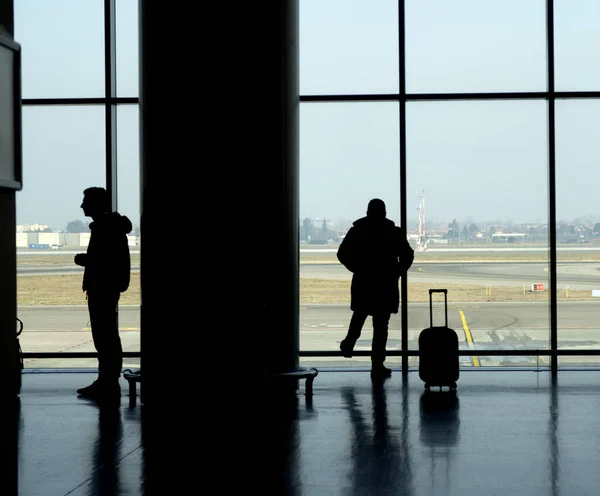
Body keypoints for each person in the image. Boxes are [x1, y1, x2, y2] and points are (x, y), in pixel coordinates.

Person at [337, 198, 414, 378]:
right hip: (385, 284)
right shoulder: (393, 232)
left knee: (359, 316)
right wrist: (397, 271)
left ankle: (348, 344)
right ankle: (377, 364)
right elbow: (407, 255)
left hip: (364, 282)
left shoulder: (358, 231)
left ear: (367, 212)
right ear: (385, 213)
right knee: (381, 327)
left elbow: (342, 254)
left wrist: (356, 268)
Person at [74, 187, 133, 404]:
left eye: (85, 202)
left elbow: (106, 262)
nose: (82, 206)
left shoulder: (105, 229)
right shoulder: (112, 227)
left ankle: (106, 381)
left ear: (96, 204)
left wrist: (86, 261)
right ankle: (108, 380)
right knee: (108, 336)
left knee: (105, 337)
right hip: (107, 288)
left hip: (102, 288)